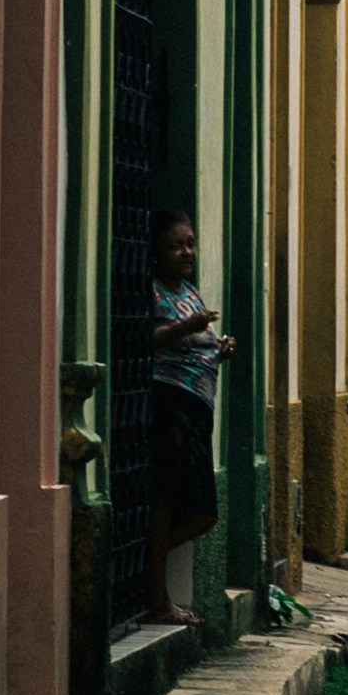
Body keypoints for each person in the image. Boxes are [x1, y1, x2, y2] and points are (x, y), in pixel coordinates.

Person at [148, 211, 221, 623]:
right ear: (157, 252)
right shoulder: (154, 292)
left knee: (204, 513)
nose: (186, 252)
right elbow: (147, 338)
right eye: (176, 245)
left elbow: (198, 342)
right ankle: (156, 592)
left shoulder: (190, 291)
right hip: (171, 406)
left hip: (197, 408)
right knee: (171, 499)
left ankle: (146, 564)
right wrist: (186, 327)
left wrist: (217, 347)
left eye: (190, 243)